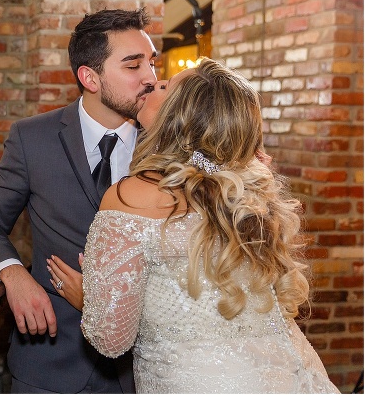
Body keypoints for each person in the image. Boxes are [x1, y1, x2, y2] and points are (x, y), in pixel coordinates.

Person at [66, 58, 339, 393]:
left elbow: (111, 339)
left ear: (179, 116)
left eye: (166, 87)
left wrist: (89, 298)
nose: (153, 84)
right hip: (291, 377)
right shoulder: (247, 196)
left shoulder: (133, 196)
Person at [0, 8, 157, 393]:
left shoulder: (168, 144)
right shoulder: (31, 138)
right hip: (49, 359)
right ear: (90, 77)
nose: (151, 78)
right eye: (134, 66)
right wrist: (13, 273)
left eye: (152, 63)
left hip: (142, 366)